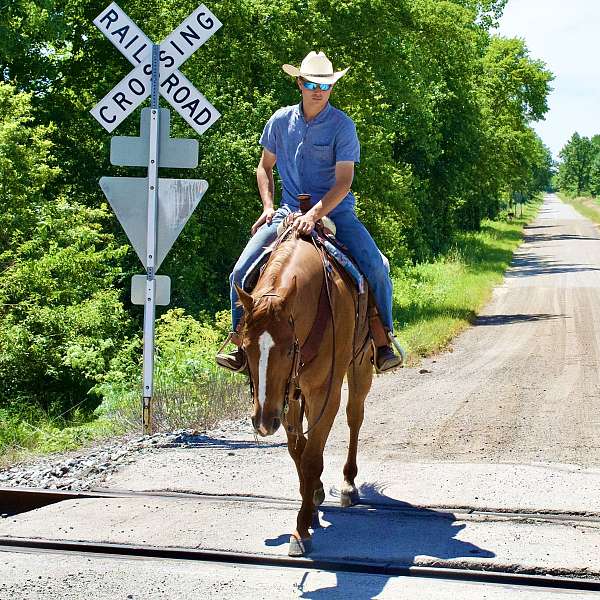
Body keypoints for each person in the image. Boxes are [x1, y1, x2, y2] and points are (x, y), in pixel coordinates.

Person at [216, 51, 402, 373]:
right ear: (300, 83)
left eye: (326, 85)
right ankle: (241, 344)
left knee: (377, 266)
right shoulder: (278, 121)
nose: (319, 90)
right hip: (287, 212)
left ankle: (383, 338)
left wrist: (314, 215)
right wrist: (268, 206)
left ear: (331, 87)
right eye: (313, 83)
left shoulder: (343, 126)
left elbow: (344, 182)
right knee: (240, 273)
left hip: (336, 213)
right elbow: (264, 166)